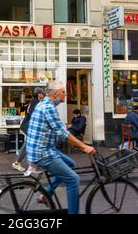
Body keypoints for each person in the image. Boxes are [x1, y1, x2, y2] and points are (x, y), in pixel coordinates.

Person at [27, 81, 95, 215]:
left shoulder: (46, 103)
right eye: (63, 91)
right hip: (42, 153)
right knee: (73, 179)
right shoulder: (49, 108)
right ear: (55, 93)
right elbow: (63, 134)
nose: (66, 93)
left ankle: (45, 194)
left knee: (70, 163)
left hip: (43, 149)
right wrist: (84, 146)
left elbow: (55, 126)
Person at [12, 87, 45, 172]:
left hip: (30, 126)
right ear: (39, 94)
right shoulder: (35, 102)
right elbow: (33, 114)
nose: (43, 95)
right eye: (42, 93)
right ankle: (18, 163)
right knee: (28, 145)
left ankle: (34, 165)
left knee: (31, 145)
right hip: (29, 126)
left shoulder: (35, 101)